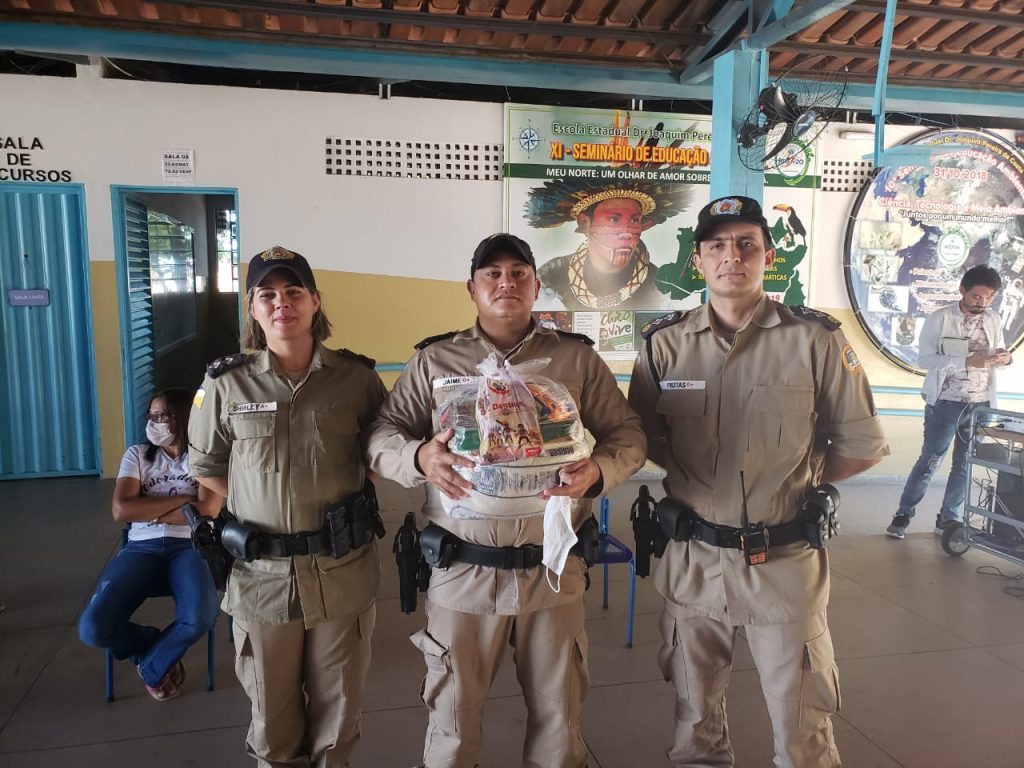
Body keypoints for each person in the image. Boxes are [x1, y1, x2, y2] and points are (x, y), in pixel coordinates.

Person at [367, 233, 646, 768]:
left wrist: (598, 471)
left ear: (536, 287)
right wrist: (420, 457)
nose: (506, 283)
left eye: (518, 273)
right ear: (471, 288)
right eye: (492, 274)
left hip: (553, 570)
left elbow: (628, 434)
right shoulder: (435, 359)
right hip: (463, 572)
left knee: (559, 725)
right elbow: (382, 435)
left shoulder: (574, 359)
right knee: (453, 722)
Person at [628, 196, 889, 767]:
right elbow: (639, 439)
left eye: (747, 244)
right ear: (698, 260)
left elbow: (861, 447)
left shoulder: (815, 339)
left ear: (769, 257)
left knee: (802, 732)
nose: (732, 256)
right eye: (717, 246)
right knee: (694, 728)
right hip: (693, 564)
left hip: (784, 563)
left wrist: (796, 482)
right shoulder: (664, 343)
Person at [187, 246, 387, 767]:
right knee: (273, 727)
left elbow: (379, 454)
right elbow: (204, 464)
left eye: (294, 291)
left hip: (341, 571)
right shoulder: (225, 384)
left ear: (315, 301)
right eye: (268, 294)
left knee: (337, 721)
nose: (282, 303)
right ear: (252, 308)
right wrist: (256, 498)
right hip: (261, 578)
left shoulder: (357, 379)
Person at [78, 388, 220, 702]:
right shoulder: (138, 455)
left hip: (191, 546)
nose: (156, 422)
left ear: (182, 417)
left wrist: (148, 509)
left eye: (163, 415)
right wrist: (185, 501)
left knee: (199, 618)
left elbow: (208, 510)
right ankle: (152, 645)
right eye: (152, 416)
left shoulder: (204, 456)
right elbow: (122, 510)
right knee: (93, 628)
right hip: (141, 548)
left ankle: (152, 667)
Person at [886, 265, 1012, 539]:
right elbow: (924, 360)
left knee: (964, 464)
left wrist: (1005, 357)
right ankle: (903, 514)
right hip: (945, 402)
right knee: (930, 461)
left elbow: (1000, 350)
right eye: (977, 296)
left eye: (989, 297)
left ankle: (949, 518)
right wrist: (965, 361)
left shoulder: (993, 318)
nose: (983, 303)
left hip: (980, 404)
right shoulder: (941, 318)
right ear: (962, 290)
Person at [526, 179, 690, 311]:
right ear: (585, 223)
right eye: (613, 219)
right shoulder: (551, 276)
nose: (626, 232)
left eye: (634, 220)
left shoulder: (660, 287)